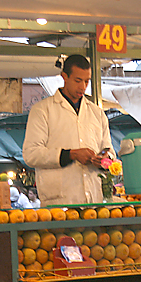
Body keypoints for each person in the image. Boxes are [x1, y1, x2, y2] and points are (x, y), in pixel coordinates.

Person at [22, 54, 114, 206]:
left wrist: (103, 159)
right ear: (64, 77)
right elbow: (31, 154)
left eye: (86, 81)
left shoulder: (97, 114)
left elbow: (110, 152)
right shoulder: (42, 110)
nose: (83, 87)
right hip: (58, 202)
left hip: (94, 200)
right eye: (78, 81)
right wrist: (71, 154)